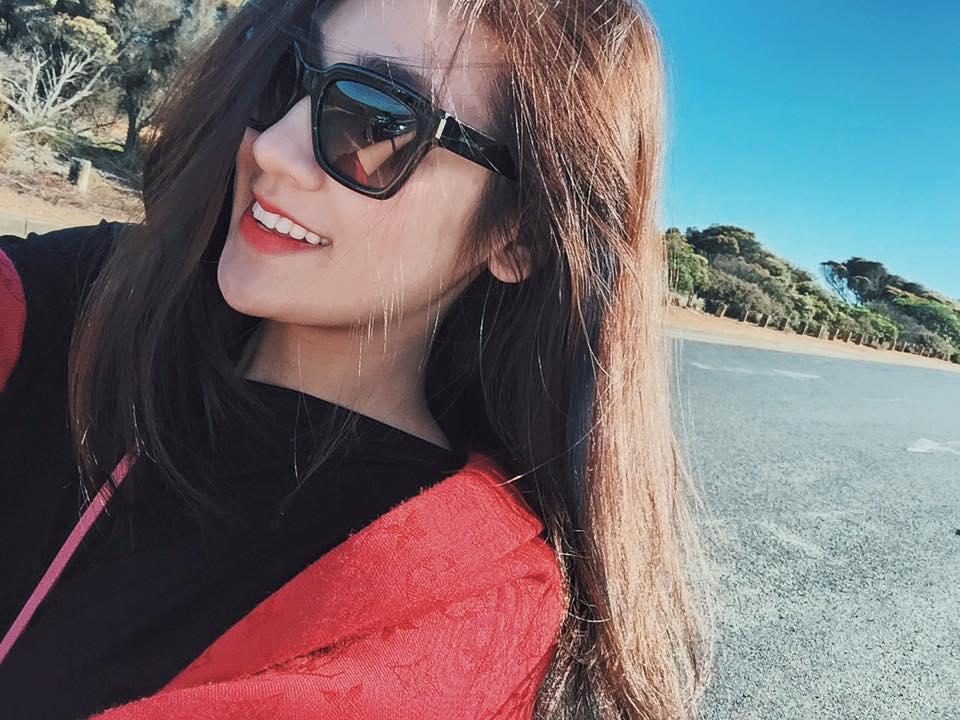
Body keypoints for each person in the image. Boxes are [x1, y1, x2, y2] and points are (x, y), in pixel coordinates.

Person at [0, 0, 713, 718]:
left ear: (519, 234)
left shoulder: (455, 603)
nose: (273, 149)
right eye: (284, 77)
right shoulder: (94, 295)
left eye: (374, 124)